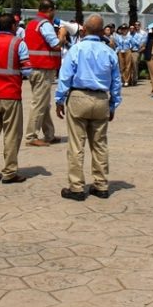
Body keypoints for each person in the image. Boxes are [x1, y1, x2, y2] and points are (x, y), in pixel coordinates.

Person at [55, 14, 121, 201]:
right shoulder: (109, 52)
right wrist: (113, 104)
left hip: (78, 97)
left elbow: (65, 76)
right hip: (101, 99)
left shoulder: (77, 49)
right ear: (102, 31)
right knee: (99, 144)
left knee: (77, 144)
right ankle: (101, 185)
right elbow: (116, 81)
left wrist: (59, 100)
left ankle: (76, 187)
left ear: (84, 29)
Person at [0, 14, 32, 184]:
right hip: (10, 95)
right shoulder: (19, 43)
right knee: (11, 134)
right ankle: (9, 172)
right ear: (13, 26)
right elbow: (27, 70)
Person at [24, 0, 67, 147]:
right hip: (43, 68)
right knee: (39, 103)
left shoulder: (32, 23)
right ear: (50, 10)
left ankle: (49, 134)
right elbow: (55, 45)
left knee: (43, 103)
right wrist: (62, 35)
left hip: (35, 67)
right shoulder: (45, 24)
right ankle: (31, 136)